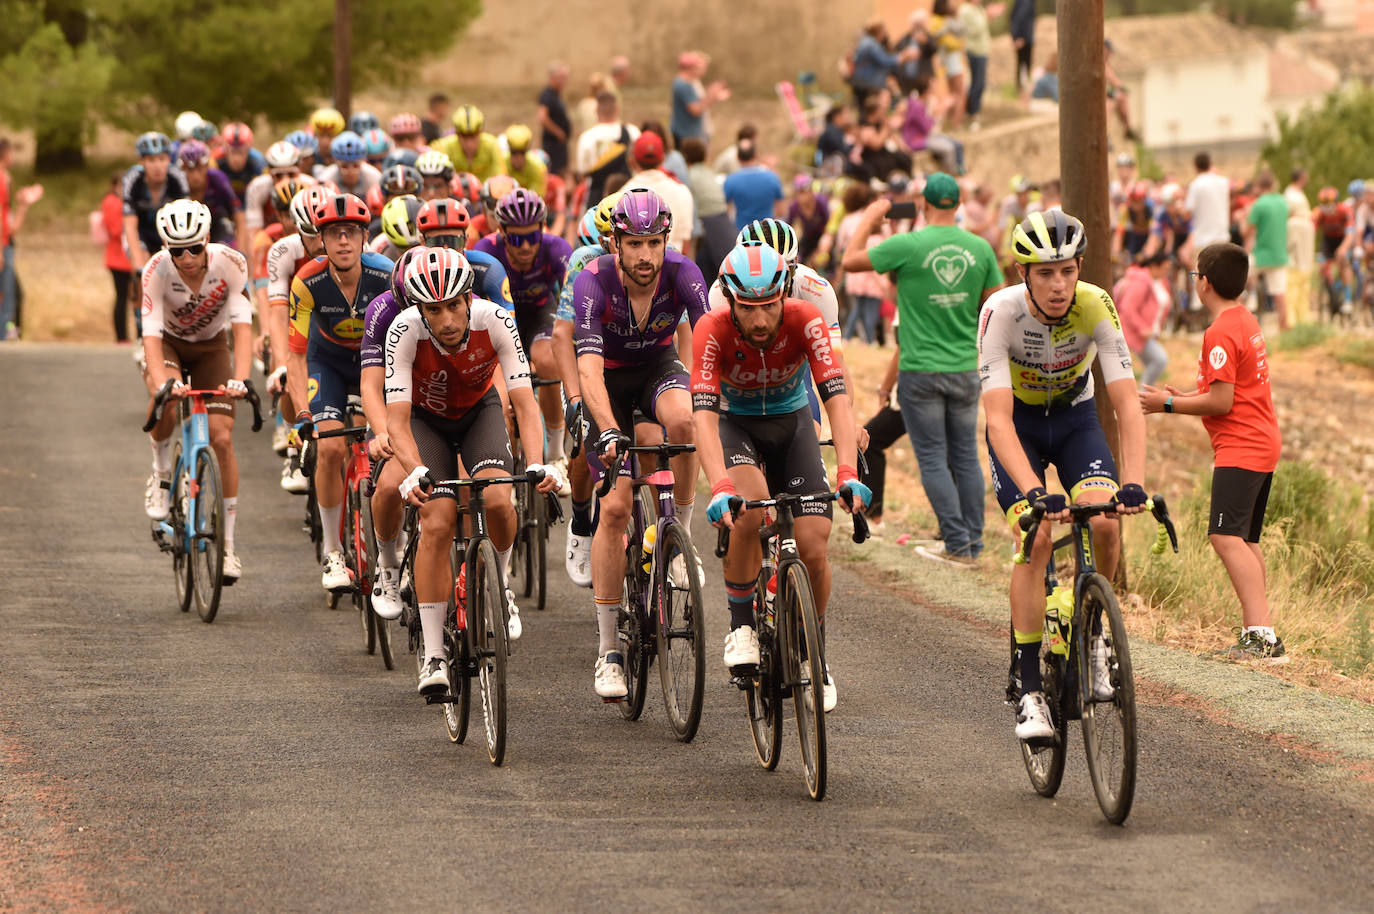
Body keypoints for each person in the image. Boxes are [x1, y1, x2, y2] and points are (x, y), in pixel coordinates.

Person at [977, 210, 1147, 742]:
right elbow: (997, 420)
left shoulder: (1096, 304)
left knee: (1107, 523)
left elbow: (1127, 403)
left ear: (1080, 269)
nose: (1058, 285)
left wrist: (1134, 481)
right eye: (1046, 273)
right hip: (1019, 427)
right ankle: (1030, 690)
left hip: (1076, 421)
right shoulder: (1000, 312)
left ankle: (1091, 636)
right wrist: (1034, 493)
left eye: (1068, 271)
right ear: (1023, 273)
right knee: (1038, 537)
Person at [694, 241, 866, 712]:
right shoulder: (711, 328)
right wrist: (719, 485)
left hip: (793, 424)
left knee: (813, 543)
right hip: (735, 425)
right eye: (749, 308)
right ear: (730, 301)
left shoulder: (806, 318)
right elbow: (703, 418)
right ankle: (741, 626)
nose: (761, 319)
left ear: (784, 295)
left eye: (770, 305)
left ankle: (813, 650)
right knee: (747, 511)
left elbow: (836, 399)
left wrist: (847, 471)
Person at [387, 248, 562, 692]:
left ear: (469, 298)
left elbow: (525, 402)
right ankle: (433, 654)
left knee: (500, 499)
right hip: (426, 421)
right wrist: (413, 470)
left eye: (453, 305)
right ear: (419, 310)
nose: (446, 320)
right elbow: (397, 421)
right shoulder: (403, 331)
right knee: (438, 519)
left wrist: (537, 460)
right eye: (433, 310)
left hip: (478, 412)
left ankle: (498, 582)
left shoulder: (495, 319)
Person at [572, 189, 708, 700]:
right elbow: (588, 369)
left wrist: (715, 400)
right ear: (616, 244)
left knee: (687, 422)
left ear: (666, 241)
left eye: (654, 243)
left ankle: (680, 539)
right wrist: (608, 428)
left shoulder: (684, 272)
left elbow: (710, 337)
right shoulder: (593, 281)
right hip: (605, 382)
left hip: (656, 370)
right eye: (635, 244)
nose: (646, 255)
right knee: (615, 507)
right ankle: (608, 651)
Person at [842, 174, 1002, 566]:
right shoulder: (980, 248)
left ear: (924, 205)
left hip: (919, 369)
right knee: (965, 456)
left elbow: (849, 260)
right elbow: (995, 304)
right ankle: (972, 543)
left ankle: (957, 543)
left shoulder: (908, 245)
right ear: (959, 203)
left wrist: (872, 216)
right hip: (965, 367)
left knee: (931, 458)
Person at [1140, 242, 1285, 661]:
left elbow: (1222, 402)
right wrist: (1185, 395)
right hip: (1260, 440)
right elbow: (1226, 389)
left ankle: (1261, 636)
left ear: (1204, 283)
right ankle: (1261, 632)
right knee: (1244, 539)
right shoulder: (1244, 318)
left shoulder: (1219, 332)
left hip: (1243, 446)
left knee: (1224, 536)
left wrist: (1167, 405)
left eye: (1195, 275)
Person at [285, 193, 394, 593]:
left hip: (375, 362)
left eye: (351, 232)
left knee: (387, 446)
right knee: (331, 448)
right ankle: (333, 551)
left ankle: (394, 547)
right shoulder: (307, 281)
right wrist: (302, 413)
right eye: (334, 233)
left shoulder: (386, 275)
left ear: (365, 237)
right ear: (322, 239)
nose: (343, 241)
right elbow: (296, 356)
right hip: (327, 363)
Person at [140, 200, 253, 581]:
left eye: (193, 248)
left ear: (206, 240)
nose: (186, 258)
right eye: (177, 251)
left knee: (221, 438)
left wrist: (240, 378)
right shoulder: (155, 271)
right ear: (165, 248)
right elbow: (151, 338)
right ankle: (161, 473)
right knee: (166, 402)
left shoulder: (231, 263)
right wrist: (162, 384)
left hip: (211, 348)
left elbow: (242, 329)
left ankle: (229, 546)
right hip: (168, 345)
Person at [472, 189, 574, 486]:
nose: (527, 246)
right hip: (498, 320)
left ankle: (555, 453)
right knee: (501, 388)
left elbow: (572, 299)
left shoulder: (556, 248)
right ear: (501, 231)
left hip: (541, 314)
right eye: (517, 239)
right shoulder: (485, 250)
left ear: (543, 228)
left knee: (548, 360)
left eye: (533, 236)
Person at [626, 132, 695, 254]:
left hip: (634, 264)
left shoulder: (623, 194)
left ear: (633, 160)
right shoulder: (681, 190)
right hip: (673, 262)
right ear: (663, 158)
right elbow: (685, 244)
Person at [1112, 250, 1171, 387]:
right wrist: (1142, 328)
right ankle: (1143, 394)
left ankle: (1144, 392)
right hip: (1132, 332)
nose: (1167, 272)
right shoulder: (1141, 281)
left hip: (1146, 334)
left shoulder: (1160, 281)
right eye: (1165, 268)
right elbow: (1128, 307)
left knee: (1154, 362)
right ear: (1154, 266)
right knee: (1159, 360)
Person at [681, 138, 734, 282]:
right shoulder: (709, 173)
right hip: (723, 221)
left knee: (706, 272)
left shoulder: (688, 175)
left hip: (706, 223)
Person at [1244, 169, 1290, 330]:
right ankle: (1283, 328)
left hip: (1261, 254)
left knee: (1238, 280)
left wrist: (1244, 218)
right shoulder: (1283, 202)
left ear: (1259, 186)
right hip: (1279, 255)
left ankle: (1248, 304)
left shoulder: (1258, 204)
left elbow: (1247, 232)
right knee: (1280, 295)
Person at [576, 92, 639, 204]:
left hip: (597, 199)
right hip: (628, 197)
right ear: (617, 109)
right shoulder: (632, 133)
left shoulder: (587, 137)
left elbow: (582, 172)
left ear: (596, 111)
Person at [900, 75, 965, 176]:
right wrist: (942, 109)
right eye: (932, 87)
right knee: (949, 148)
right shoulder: (917, 106)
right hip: (916, 140)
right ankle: (952, 175)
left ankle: (960, 171)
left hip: (924, 137)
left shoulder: (917, 102)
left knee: (957, 144)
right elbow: (928, 127)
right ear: (927, 91)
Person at [670, 51, 730, 149]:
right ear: (692, 68)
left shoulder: (692, 81)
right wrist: (711, 96)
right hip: (687, 135)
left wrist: (712, 94)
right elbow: (695, 110)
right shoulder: (684, 85)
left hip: (692, 132)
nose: (704, 70)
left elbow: (698, 100)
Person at [722, 140, 784, 232]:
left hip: (742, 233)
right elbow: (781, 211)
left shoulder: (731, 181)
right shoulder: (772, 178)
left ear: (737, 157)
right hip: (767, 232)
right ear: (756, 155)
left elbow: (725, 212)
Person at [849, 19, 912, 108]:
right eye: (884, 31)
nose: (885, 34)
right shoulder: (871, 44)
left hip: (862, 82)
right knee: (873, 107)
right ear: (879, 31)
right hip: (869, 83)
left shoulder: (865, 41)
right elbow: (884, 60)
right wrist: (902, 57)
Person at [100, 173, 133, 342]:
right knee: (121, 298)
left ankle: (134, 335)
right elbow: (115, 230)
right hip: (118, 259)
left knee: (133, 298)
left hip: (129, 259)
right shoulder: (112, 203)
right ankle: (121, 337)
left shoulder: (126, 203)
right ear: (115, 187)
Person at [1284, 168, 1313, 326]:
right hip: (1296, 230)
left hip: (1304, 231)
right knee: (1295, 269)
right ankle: (1292, 317)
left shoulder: (1298, 193)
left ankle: (1303, 315)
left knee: (1304, 269)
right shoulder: (1290, 194)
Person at [537, 62, 573, 179]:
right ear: (553, 77)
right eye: (561, 78)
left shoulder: (556, 95)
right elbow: (542, 117)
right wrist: (558, 132)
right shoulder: (547, 95)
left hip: (559, 147)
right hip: (553, 146)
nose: (564, 81)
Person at [960, 0, 992, 129]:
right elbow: (975, 30)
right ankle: (973, 110)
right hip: (974, 50)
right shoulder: (966, 11)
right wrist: (988, 16)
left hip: (982, 49)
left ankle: (975, 109)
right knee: (977, 82)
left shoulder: (978, 9)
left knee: (980, 82)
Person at [504, 124, 549, 197]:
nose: (518, 158)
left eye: (522, 152)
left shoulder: (538, 168)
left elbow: (538, 196)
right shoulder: (502, 163)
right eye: (513, 152)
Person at [1010, 0, 1036, 93]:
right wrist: (1020, 37)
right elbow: (1020, 19)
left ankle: (1022, 90)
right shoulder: (1025, 2)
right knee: (1024, 65)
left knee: (1022, 64)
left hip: (1024, 38)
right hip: (1024, 39)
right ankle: (1023, 91)